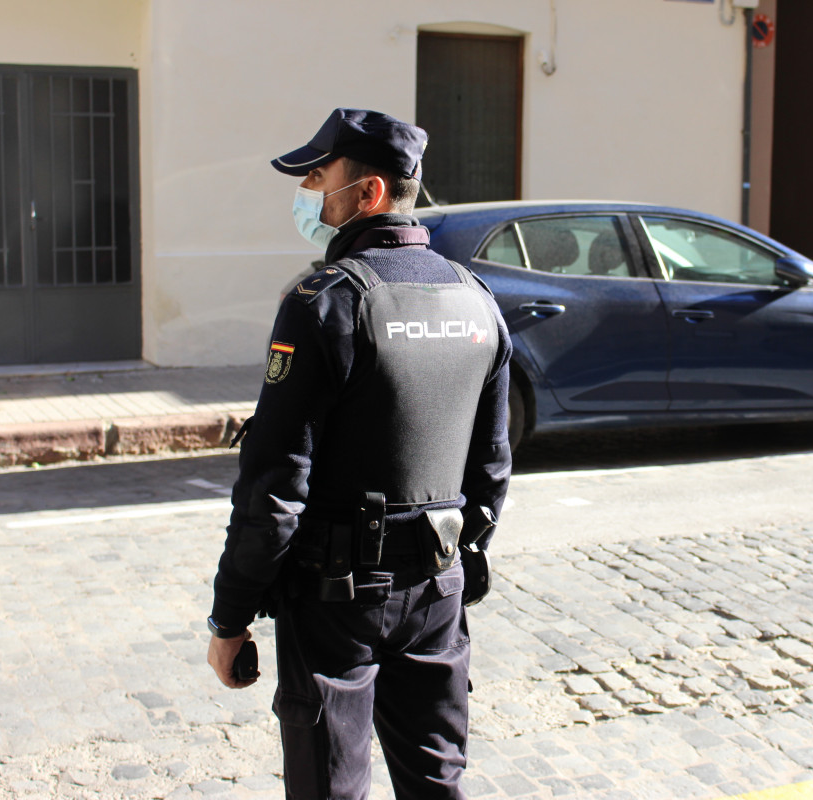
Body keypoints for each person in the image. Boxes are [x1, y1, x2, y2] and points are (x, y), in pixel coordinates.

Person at [206, 108, 512, 800]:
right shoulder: (476, 300)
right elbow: (490, 472)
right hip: (437, 590)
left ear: (368, 193)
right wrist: (459, 570)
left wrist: (231, 618)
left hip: (335, 600)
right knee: (437, 783)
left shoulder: (325, 303)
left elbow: (274, 489)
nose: (307, 190)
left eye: (318, 176)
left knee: (330, 787)